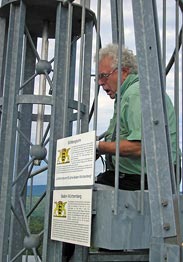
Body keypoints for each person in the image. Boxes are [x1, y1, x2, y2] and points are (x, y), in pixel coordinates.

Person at [95, 43, 179, 190]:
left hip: (150, 179)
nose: (100, 83)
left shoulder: (136, 94)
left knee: (81, 197)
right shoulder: (129, 94)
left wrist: (97, 147)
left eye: (104, 76)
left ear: (124, 72)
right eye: (98, 77)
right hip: (146, 176)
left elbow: (140, 147)